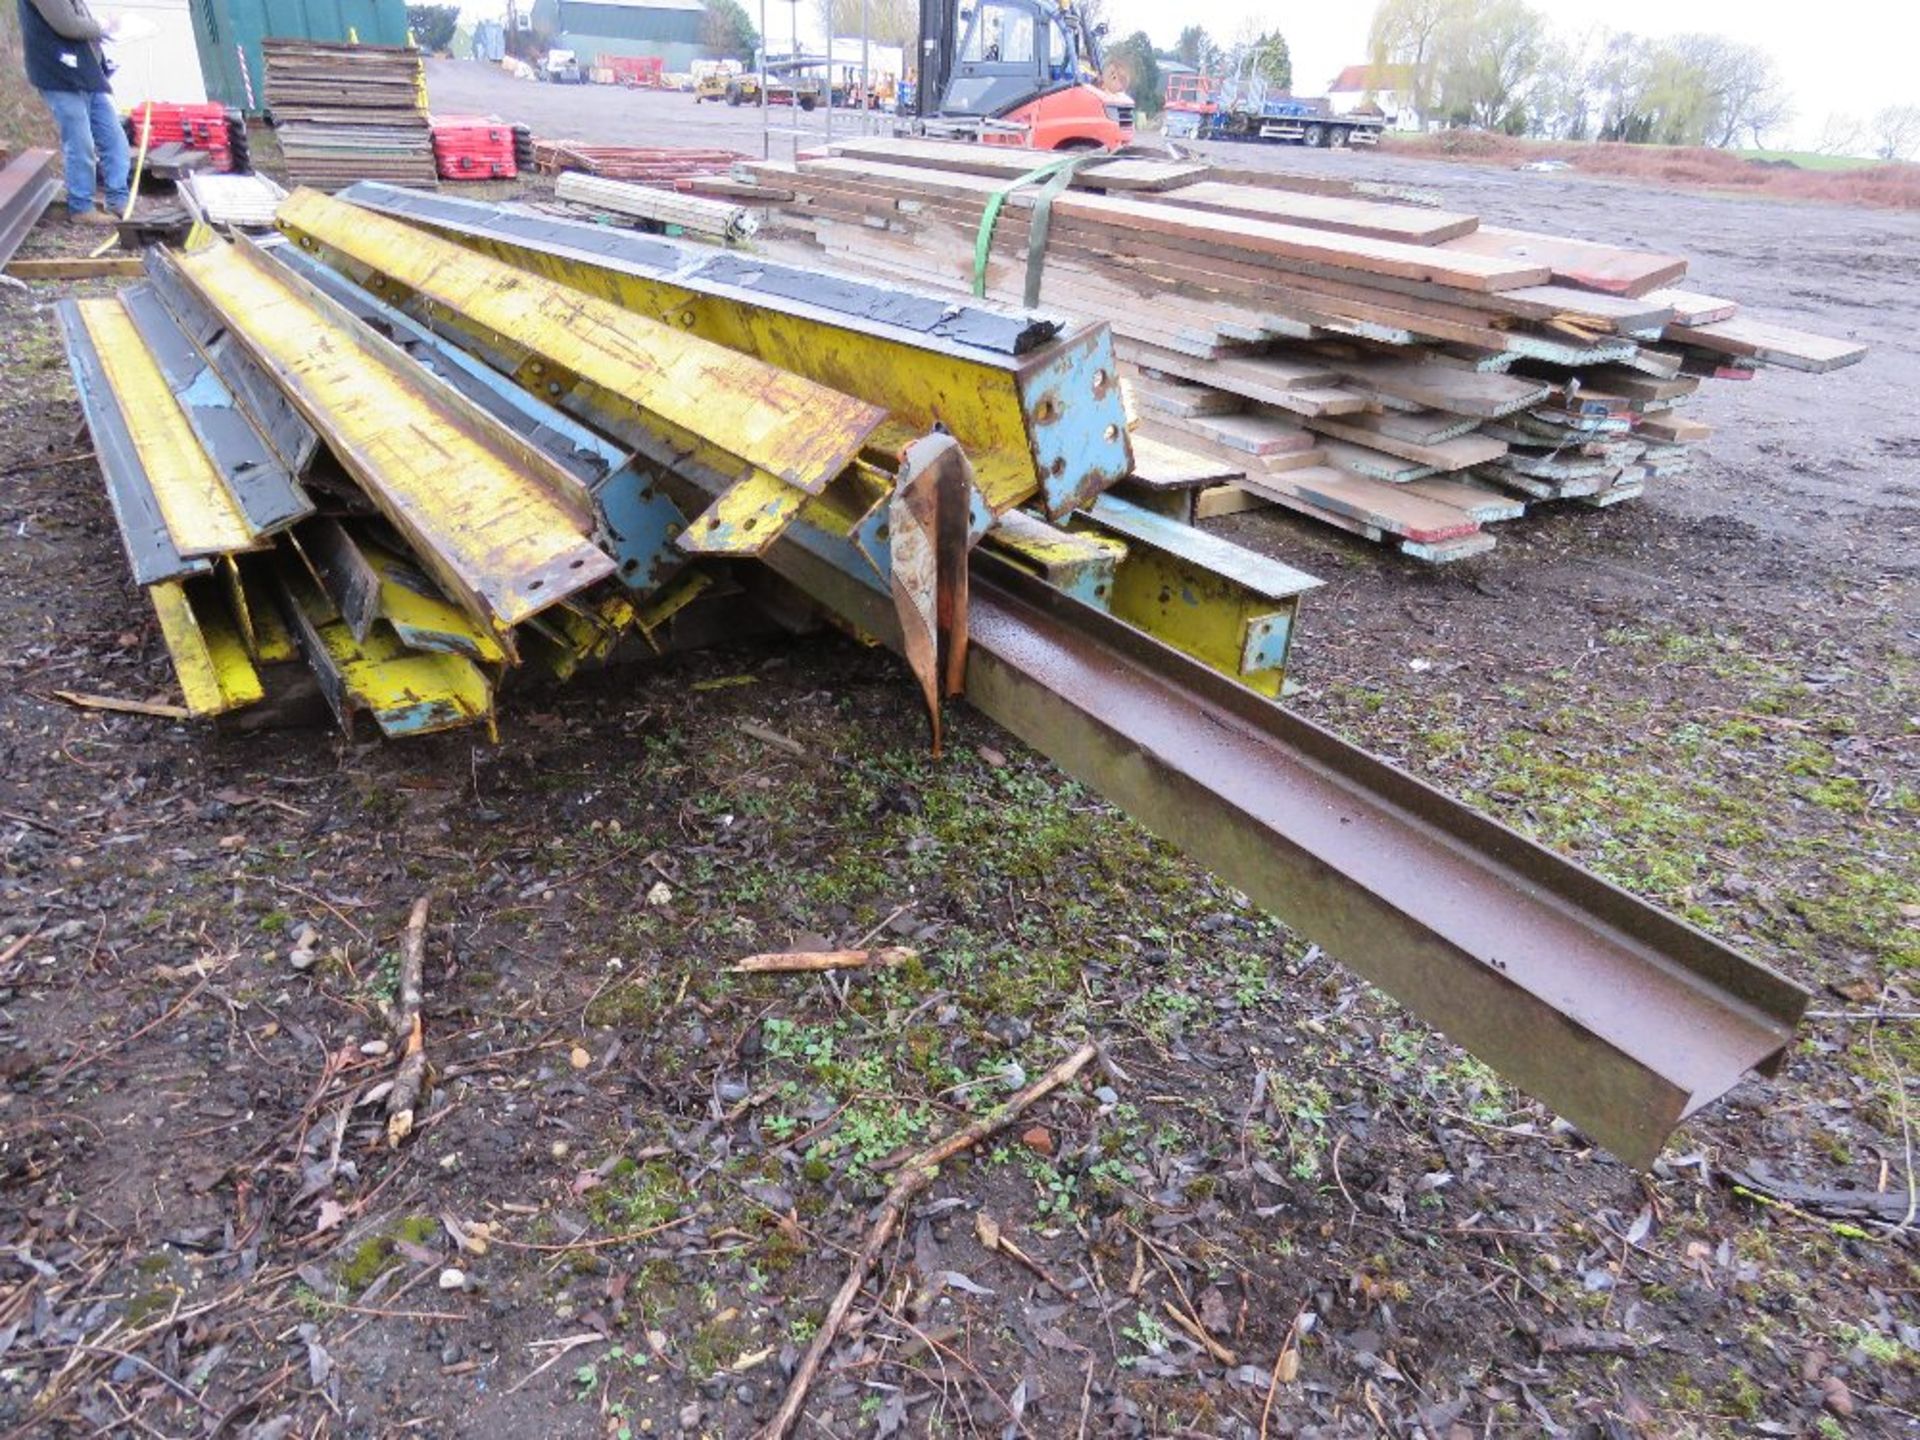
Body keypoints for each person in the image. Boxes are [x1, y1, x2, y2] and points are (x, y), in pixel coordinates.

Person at [17, 0, 131, 226]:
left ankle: (118, 200)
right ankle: (81, 208)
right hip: (57, 73)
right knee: (80, 143)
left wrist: (100, 31)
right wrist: (103, 26)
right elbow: (67, 24)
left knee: (115, 139)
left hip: (86, 73)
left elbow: (79, 19)